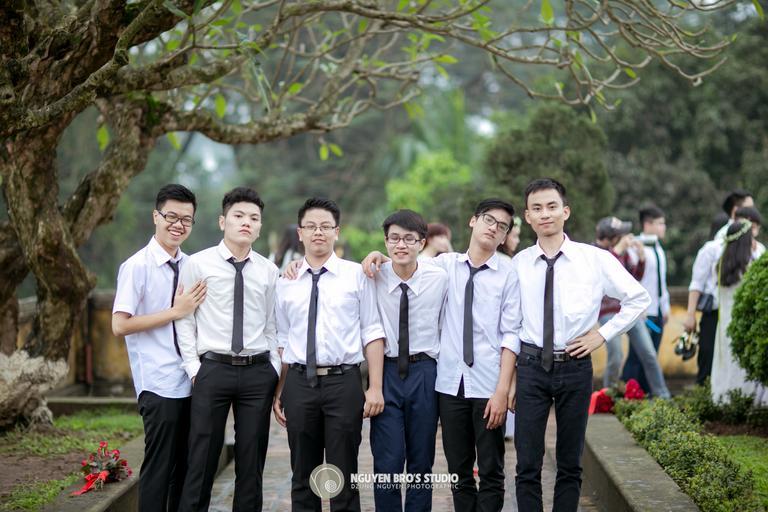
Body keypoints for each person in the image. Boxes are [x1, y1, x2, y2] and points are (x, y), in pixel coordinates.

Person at [364, 198, 518, 512]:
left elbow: (512, 333)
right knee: (452, 469)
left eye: (502, 226)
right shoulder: (446, 266)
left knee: (482, 467)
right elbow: (405, 262)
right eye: (489, 220)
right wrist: (378, 255)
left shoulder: (508, 273)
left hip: (477, 380)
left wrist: (504, 389)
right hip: (444, 382)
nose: (493, 228)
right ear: (473, 221)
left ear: (505, 235)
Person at [506, 178, 650, 512]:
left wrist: (602, 334)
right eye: (537, 208)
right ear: (527, 217)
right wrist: (511, 378)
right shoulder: (518, 265)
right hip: (530, 367)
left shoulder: (594, 259)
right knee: (527, 463)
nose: (545, 214)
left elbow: (638, 298)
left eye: (552, 206)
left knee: (570, 462)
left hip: (575, 365)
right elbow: (510, 325)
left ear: (565, 211)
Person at [273, 197, 386, 512]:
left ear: (337, 231)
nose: (318, 232)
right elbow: (283, 340)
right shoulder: (286, 282)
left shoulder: (357, 275)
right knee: (302, 475)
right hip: (298, 383)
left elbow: (372, 332)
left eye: (325, 226)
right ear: (300, 233)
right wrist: (280, 389)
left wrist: (375, 387)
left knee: (343, 474)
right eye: (310, 226)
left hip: (343, 383)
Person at [176, 187, 281, 512]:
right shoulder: (197, 264)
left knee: (251, 463)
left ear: (260, 226)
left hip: (257, 372)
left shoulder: (269, 271)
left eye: (254, 218)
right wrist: (194, 368)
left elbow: (272, 325)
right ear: (223, 221)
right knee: (202, 459)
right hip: (212, 370)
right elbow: (185, 318)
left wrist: (274, 369)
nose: (246, 222)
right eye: (239, 216)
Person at [112, 184, 206, 512]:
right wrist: (175, 312)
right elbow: (120, 325)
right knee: (159, 467)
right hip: (158, 383)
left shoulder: (192, 265)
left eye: (186, 219)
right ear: (156, 216)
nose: (178, 225)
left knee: (187, 468)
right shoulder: (137, 266)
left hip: (192, 380)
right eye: (171, 217)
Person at [369, 209, 448, 512]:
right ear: (385, 242)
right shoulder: (373, 276)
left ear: (422, 243)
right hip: (387, 371)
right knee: (387, 461)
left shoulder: (439, 277)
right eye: (394, 239)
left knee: (421, 459)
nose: (400, 245)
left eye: (409, 239)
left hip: (425, 373)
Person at [685, 206, 765, 385]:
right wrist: (690, 314)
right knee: (709, 355)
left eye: (755, 228)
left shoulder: (759, 250)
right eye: (749, 227)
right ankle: (705, 392)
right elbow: (697, 283)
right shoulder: (713, 248)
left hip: (746, 317)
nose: (753, 232)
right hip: (715, 312)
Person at [594, 217, 671, 398]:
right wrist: (617, 251)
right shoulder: (593, 252)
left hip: (628, 310)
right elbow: (603, 279)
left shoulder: (624, 253)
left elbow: (633, 278)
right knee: (616, 356)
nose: (626, 237)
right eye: (621, 234)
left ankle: (663, 395)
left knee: (649, 353)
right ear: (611, 237)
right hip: (607, 311)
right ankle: (609, 397)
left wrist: (641, 259)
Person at [710, 219, 767, 405]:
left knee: (725, 361)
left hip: (724, 322)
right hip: (742, 322)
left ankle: (723, 399)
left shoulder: (720, 265)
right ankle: (745, 399)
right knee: (740, 363)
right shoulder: (749, 267)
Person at [622, 205, 669, 393]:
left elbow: (661, 282)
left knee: (652, 355)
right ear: (647, 225)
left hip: (658, 312)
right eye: (660, 223)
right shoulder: (635, 249)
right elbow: (632, 279)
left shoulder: (659, 249)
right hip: (643, 313)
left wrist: (665, 307)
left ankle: (646, 394)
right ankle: (628, 393)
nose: (664, 227)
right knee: (638, 356)